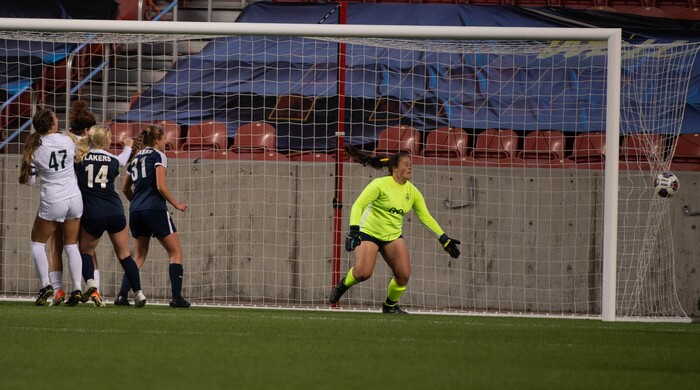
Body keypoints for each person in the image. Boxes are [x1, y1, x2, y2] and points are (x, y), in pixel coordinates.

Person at [328, 146, 461, 314]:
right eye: (406, 164)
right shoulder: (380, 184)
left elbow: (425, 217)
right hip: (368, 232)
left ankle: (390, 306)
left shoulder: (413, 192)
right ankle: (342, 286)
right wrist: (354, 230)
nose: (410, 167)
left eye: (411, 164)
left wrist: (444, 239)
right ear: (395, 168)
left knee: (403, 275)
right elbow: (358, 205)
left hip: (392, 235)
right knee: (363, 273)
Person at [74, 124, 147, 307]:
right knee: (124, 255)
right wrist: (128, 145)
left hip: (93, 211)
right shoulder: (113, 159)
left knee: (86, 251)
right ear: (106, 141)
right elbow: (123, 160)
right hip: (115, 210)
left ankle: (91, 284)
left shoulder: (79, 158)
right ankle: (138, 293)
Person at [121, 125, 191, 308]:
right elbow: (160, 186)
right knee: (175, 252)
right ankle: (176, 298)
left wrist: (137, 203)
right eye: (164, 138)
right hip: (155, 210)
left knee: (138, 256)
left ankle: (122, 295)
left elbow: (124, 188)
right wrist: (176, 204)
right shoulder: (159, 156)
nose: (165, 141)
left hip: (136, 210)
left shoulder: (135, 158)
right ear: (156, 140)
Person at [19, 109, 84, 306]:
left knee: (37, 244)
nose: (58, 119)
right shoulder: (66, 140)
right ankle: (77, 289)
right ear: (51, 125)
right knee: (71, 245)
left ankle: (46, 285)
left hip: (53, 201)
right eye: (55, 118)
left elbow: (29, 182)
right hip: (74, 198)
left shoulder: (35, 148)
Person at [46, 100, 97, 306]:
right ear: (87, 129)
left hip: (57, 197)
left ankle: (58, 290)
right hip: (83, 201)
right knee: (86, 249)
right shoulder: (90, 145)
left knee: (55, 247)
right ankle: (89, 288)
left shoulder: (60, 139)